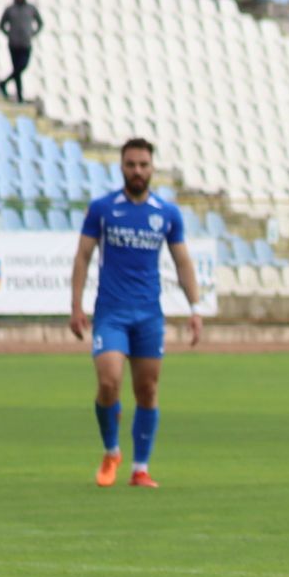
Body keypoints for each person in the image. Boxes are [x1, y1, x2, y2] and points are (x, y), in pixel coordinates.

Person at [70, 138, 203, 488]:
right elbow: (83, 256)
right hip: (111, 312)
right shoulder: (102, 209)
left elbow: (182, 260)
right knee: (109, 381)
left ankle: (139, 468)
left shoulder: (166, 213)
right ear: (121, 167)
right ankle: (112, 451)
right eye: (131, 164)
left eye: (143, 165)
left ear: (152, 168)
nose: (137, 171)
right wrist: (75, 305)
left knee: (147, 390)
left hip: (148, 314)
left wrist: (196, 308)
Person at [0, 0, 42, 103]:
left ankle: (4, 83)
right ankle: (19, 96)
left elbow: (40, 23)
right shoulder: (10, 9)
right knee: (17, 70)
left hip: (25, 43)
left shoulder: (31, 9)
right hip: (14, 44)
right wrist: (9, 34)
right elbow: (2, 25)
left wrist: (32, 34)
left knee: (22, 66)